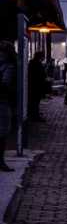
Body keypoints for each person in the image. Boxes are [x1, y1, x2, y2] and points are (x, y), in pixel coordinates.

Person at [0, 41, 16, 172]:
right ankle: (0, 161)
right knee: (2, 132)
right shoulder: (9, 66)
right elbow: (6, 84)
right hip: (3, 102)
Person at [28, 51, 47, 121]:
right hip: (36, 86)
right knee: (35, 101)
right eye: (42, 56)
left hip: (33, 85)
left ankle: (34, 114)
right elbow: (41, 74)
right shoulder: (37, 64)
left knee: (34, 101)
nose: (43, 58)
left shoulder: (32, 63)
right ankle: (35, 115)